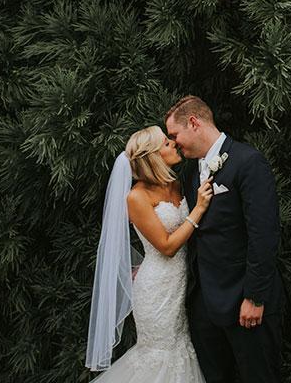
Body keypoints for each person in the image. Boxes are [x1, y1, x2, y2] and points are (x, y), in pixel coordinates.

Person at [165, 96, 285, 383]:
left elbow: (264, 235)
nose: (174, 143)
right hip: (204, 305)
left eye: (175, 135)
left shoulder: (248, 162)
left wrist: (254, 297)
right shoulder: (190, 171)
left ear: (194, 123)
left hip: (245, 301)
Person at [86, 125, 215, 380]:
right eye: (166, 143)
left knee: (182, 349)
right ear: (153, 156)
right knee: (162, 354)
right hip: (156, 289)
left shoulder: (175, 183)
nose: (174, 143)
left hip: (183, 284)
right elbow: (166, 247)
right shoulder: (136, 197)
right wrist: (198, 209)